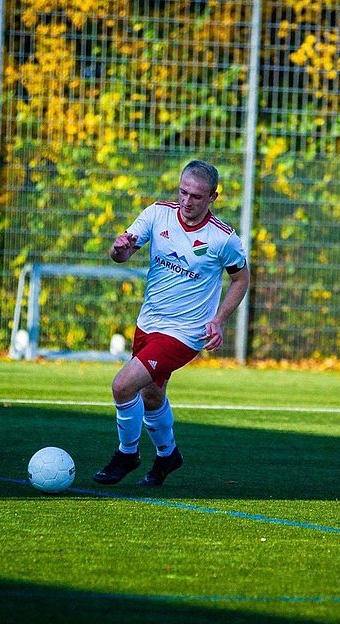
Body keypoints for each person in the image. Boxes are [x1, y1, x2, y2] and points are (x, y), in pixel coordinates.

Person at [93, 160, 250, 487]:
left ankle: (127, 454)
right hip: (149, 321)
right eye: (183, 191)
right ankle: (168, 455)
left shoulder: (223, 239)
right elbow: (121, 253)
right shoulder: (157, 214)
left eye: (196, 195)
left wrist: (219, 320)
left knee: (122, 386)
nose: (187, 201)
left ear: (213, 197)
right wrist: (118, 249)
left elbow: (241, 280)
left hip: (186, 332)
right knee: (151, 397)